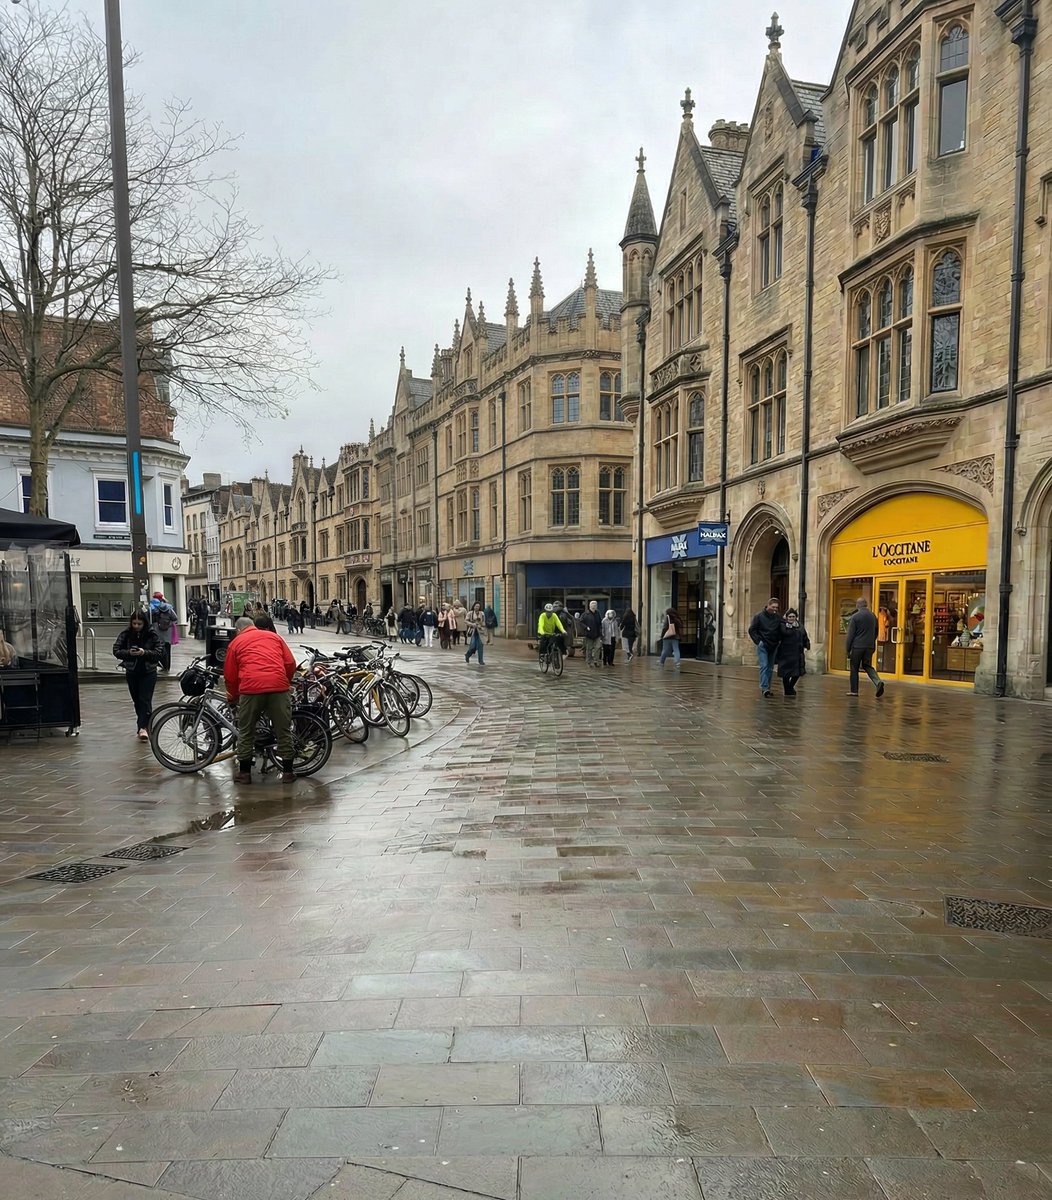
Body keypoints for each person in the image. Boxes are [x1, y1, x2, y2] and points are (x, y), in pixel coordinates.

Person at [223, 612, 298, 784]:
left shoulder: (236, 643)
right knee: (283, 730)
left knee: (246, 731)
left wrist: (233, 697)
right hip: (278, 688)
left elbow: (230, 676)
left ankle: (244, 773)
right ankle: (287, 772)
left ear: (238, 629)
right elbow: (290, 663)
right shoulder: (274, 637)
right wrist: (283, 681)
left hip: (251, 690)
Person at [112, 611, 164, 740]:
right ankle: (145, 724)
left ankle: (143, 727)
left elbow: (159, 652)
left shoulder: (152, 634)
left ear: (144, 623)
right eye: (134, 623)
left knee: (144, 699)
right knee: (137, 700)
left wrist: (144, 653)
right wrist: (129, 653)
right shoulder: (126, 634)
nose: (136, 626)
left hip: (148, 671)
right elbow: (116, 650)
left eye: (139, 624)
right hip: (132, 671)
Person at [846, 596, 885, 698]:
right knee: (867, 665)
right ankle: (878, 682)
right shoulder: (873, 616)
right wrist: (871, 641)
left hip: (857, 646)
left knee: (854, 668)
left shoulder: (855, 617)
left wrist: (847, 649)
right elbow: (876, 632)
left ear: (857, 605)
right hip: (869, 646)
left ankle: (854, 691)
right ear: (866, 605)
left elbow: (850, 635)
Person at [748, 597, 782, 697]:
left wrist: (779, 639)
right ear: (768, 605)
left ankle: (767, 687)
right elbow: (752, 630)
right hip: (763, 644)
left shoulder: (778, 617)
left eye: (777, 607)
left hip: (774, 644)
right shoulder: (759, 616)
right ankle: (765, 688)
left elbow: (782, 628)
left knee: (770, 667)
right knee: (764, 665)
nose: (775, 609)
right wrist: (758, 641)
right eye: (773, 607)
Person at [776, 608, 810, 697]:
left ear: (796, 617)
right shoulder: (783, 625)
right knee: (785, 673)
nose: (791, 618)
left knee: (798, 672)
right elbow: (783, 633)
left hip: (797, 652)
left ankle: (790, 687)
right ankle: (787, 689)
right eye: (790, 616)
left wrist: (807, 644)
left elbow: (805, 636)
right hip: (785, 652)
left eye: (793, 616)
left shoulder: (800, 626)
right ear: (786, 617)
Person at [149, 591, 178, 672]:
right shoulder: (169, 608)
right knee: (167, 650)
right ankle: (167, 666)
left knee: (157, 649)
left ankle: (161, 665)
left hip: (156, 633)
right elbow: (175, 619)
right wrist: (169, 625)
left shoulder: (152, 608)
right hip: (167, 634)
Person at [580, 600, 603, 667]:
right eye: (592, 605)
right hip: (589, 634)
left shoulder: (598, 613)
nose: (594, 606)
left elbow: (600, 623)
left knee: (598, 648)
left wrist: (601, 631)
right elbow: (581, 622)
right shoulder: (585, 614)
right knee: (589, 649)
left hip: (597, 634)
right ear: (590, 606)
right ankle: (589, 662)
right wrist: (586, 627)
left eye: (595, 605)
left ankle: (596, 661)